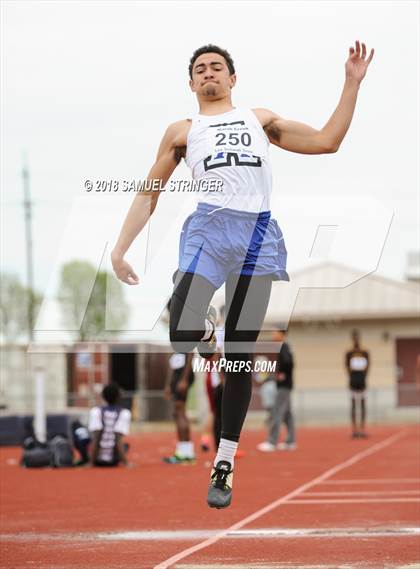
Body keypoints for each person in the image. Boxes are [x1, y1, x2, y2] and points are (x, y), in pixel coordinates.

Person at [111, 42, 374, 508]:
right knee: (183, 331)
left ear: (233, 78)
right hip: (209, 232)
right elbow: (150, 191)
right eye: (200, 69)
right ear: (191, 84)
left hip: (257, 238)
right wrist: (120, 250)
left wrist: (351, 83)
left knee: (241, 356)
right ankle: (204, 333)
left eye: (217, 67)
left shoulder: (260, 119)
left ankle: (225, 461)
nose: (208, 73)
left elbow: (327, 141)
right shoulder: (183, 130)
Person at [257, 330, 296, 452]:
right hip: (287, 385)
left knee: (277, 412)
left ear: (282, 334)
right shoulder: (286, 347)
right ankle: (290, 441)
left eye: (275, 332)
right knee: (287, 413)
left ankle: (272, 441)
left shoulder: (283, 347)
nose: (273, 335)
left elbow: (289, 362)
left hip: (283, 386)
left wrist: (281, 375)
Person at [163, 351, 196, 463]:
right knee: (178, 413)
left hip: (182, 375)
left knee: (179, 412)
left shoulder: (185, 335)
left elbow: (191, 354)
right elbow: (172, 362)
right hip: (177, 375)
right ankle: (186, 452)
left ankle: (184, 453)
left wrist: (184, 379)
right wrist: (168, 384)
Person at [88, 383, 131, 466]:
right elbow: (118, 439)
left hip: (97, 459)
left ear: (103, 396)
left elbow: (96, 438)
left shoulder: (96, 411)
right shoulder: (124, 413)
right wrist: (126, 463)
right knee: (125, 445)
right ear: (118, 397)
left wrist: (91, 462)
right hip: (113, 460)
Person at [345, 330, 370, 438]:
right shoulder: (349, 353)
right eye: (354, 337)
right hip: (353, 382)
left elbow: (368, 366)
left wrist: (363, 376)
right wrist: (352, 375)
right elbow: (346, 366)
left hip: (362, 381)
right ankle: (354, 429)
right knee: (354, 405)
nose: (356, 339)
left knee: (363, 405)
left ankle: (363, 428)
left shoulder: (365, 352)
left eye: (357, 337)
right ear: (352, 339)